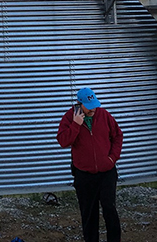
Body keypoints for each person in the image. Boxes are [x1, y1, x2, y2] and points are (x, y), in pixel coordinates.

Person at [57, 87, 123, 242]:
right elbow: (63, 141)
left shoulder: (104, 115)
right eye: (89, 106)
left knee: (109, 208)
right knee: (89, 213)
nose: (93, 109)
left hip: (106, 172)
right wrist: (76, 125)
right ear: (79, 104)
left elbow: (118, 136)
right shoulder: (69, 117)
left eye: (95, 105)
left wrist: (112, 158)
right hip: (84, 175)